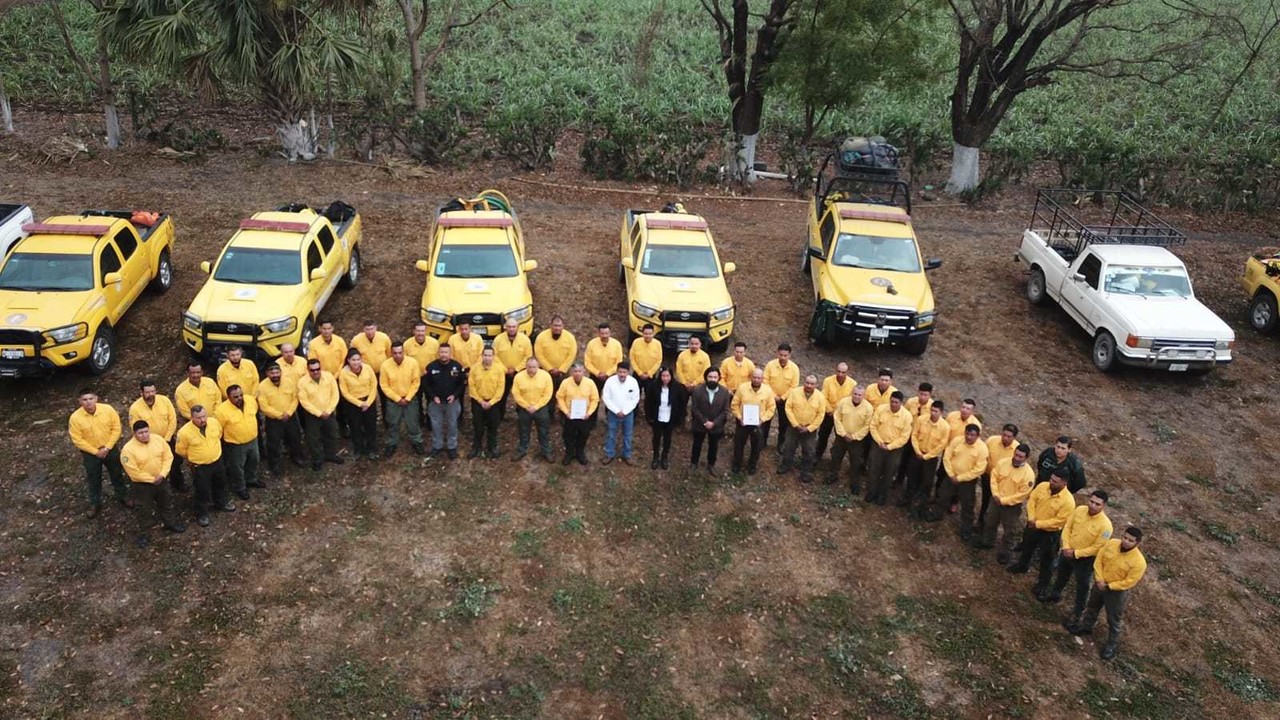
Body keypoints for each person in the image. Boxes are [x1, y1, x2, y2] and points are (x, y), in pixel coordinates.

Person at [1066, 527, 1147, 660]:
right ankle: (1086, 626)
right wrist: (1099, 579)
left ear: (1137, 543)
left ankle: (1111, 644)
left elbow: (1129, 582)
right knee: (1092, 607)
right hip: (1100, 584)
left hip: (1116, 593)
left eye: (1130, 541)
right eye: (1125, 538)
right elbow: (1099, 560)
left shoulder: (1139, 562)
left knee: (1113, 619)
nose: (1126, 542)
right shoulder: (1111, 543)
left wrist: (1109, 586)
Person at [1044, 490, 1113, 619]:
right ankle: (1055, 594)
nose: (1093, 505)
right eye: (1091, 501)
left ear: (1103, 506)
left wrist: (1076, 553)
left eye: (1097, 504)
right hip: (1067, 551)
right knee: (1061, 575)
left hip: (1085, 560)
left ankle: (1078, 611)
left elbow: (1097, 547)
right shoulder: (1080, 510)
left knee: (1082, 586)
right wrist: (1066, 547)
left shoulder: (1106, 526)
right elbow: (1068, 527)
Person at [68, 389, 131, 518]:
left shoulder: (108, 410)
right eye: (84, 400)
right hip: (90, 454)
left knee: (117, 473)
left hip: (110, 449)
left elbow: (116, 428)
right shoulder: (75, 418)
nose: (88, 402)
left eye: (90, 399)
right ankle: (95, 503)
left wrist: (107, 447)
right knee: (93, 478)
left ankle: (122, 495)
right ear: (79, 402)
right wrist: (95, 452)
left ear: (96, 398)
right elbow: (77, 439)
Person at [1009, 471, 1076, 590]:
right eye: (1051, 479)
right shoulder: (1042, 486)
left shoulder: (1068, 502)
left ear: (1064, 483)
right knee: (1027, 547)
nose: (1051, 482)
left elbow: (1059, 521)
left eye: (1055, 481)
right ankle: (1022, 566)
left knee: (1047, 559)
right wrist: (1031, 518)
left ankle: (1042, 585)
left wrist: (1038, 524)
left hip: (1050, 533)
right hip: (1033, 525)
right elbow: (1032, 500)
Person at [120, 420, 185, 540]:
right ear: (134, 434)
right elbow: (133, 471)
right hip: (142, 486)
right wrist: (151, 479)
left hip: (162, 480)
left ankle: (170, 524)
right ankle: (144, 533)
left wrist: (162, 474)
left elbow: (168, 457)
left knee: (166, 503)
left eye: (146, 431)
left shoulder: (158, 440)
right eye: (140, 433)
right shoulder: (128, 450)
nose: (144, 435)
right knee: (144, 510)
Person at [175, 405, 233, 527]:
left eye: (203, 416)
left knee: (221, 483)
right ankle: (202, 513)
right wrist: (193, 458)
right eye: (198, 418)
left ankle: (221, 502)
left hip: (217, 461)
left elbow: (219, 435)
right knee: (202, 489)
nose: (202, 420)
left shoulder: (214, 423)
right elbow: (180, 450)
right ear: (192, 418)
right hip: (201, 467)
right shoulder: (184, 432)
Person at [976, 443, 1035, 564]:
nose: (1017, 458)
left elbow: (1021, 495)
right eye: (1016, 455)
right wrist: (996, 494)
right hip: (996, 499)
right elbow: (994, 477)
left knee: (1010, 530)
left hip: (1012, 507)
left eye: (1021, 457)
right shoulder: (1003, 463)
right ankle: (987, 542)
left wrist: (1003, 500)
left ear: (1026, 458)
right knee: (990, 521)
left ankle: (1005, 553)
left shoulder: (1028, 475)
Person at [933, 424, 989, 539]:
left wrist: (960, 478)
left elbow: (979, 469)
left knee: (968, 506)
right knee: (942, 496)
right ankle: (936, 514)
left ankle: (966, 530)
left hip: (968, 482)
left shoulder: (982, 449)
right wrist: (951, 474)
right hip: (951, 476)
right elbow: (947, 456)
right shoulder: (957, 441)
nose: (969, 437)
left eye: (972, 435)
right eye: (967, 434)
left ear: (978, 436)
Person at [129, 379, 184, 492]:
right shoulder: (135, 408)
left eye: (153, 391)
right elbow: (136, 427)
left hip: (168, 439)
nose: (151, 394)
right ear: (141, 393)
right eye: (147, 392)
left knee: (174, 462)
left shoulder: (165, 401)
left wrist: (167, 438)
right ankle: (157, 490)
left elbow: (172, 420)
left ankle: (178, 484)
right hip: (148, 443)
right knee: (153, 465)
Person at [901, 401, 950, 518]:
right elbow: (914, 435)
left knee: (926, 482)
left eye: (936, 411)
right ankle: (908, 499)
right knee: (912, 477)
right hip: (917, 454)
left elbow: (941, 445)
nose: (933, 413)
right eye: (932, 410)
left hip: (930, 459)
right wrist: (917, 451)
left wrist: (927, 456)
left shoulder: (945, 427)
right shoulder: (922, 419)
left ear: (941, 412)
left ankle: (920, 506)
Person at [257, 364, 307, 474]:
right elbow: (264, 406)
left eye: (277, 372)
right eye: (272, 373)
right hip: (273, 420)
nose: (275, 375)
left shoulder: (288, 382)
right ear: (267, 374)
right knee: (273, 442)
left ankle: (297, 457)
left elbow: (295, 398)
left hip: (290, 416)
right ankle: (274, 464)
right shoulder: (262, 387)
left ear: (280, 372)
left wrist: (289, 412)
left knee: (295, 438)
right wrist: (279, 415)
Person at [864, 391, 912, 504]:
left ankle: (882, 496)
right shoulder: (881, 409)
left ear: (901, 403)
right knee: (873, 469)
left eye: (896, 402)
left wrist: (890, 446)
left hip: (894, 449)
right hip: (878, 444)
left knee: (889, 472)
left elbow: (904, 437)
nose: (893, 404)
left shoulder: (906, 416)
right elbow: (873, 426)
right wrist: (879, 441)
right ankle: (871, 492)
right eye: (892, 401)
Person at [379, 341, 425, 457]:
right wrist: (397, 399)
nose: (397, 355)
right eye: (395, 353)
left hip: (410, 399)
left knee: (413, 421)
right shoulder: (385, 365)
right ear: (391, 353)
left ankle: (417, 441)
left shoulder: (413, 363)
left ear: (404, 352)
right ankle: (392, 442)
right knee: (393, 422)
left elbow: (416, 382)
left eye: (400, 352)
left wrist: (408, 398)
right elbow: (384, 385)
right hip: (393, 400)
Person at [297, 359, 344, 471]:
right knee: (314, 438)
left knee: (332, 433)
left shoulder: (329, 377)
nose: (315, 372)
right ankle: (317, 459)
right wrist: (318, 413)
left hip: (329, 412)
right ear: (308, 370)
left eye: (318, 369)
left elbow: (335, 394)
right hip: (312, 415)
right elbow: (304, 401)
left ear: (320, 368)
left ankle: (331, 454)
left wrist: (329, 410)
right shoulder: (302, 382)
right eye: (312, 370)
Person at [215, 384, 261, 499]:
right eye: (235, 397)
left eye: (241, 395)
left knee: (254, 460)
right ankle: (240, 488)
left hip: (253, 440)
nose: (239, 398)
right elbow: (219, 429)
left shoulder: (250, 400)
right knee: (237, 468)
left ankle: (251, 479)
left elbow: (255, 413)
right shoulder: (221, 410)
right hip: (235, 445)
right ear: (228, 397)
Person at [779, 373, 825, 483]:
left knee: (809, 451)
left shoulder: (820, 397)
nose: (809, 385)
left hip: (809, 430)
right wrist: (795, 424)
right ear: (804, 382)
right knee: (789, 447)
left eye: (812, 384)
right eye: (807, 382)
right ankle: (785, 465)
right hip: (794, 427)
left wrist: (810, 428)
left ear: (816, 385)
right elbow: (788, 407)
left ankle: (806, 472)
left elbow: (821, 414)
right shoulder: (795, 392)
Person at [828, 385, 873, 492]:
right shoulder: (843, 402)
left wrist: (854, 437)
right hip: (841, 437)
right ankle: (832, 475)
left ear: (864, 396)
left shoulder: (868, 408)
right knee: (836, 456)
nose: (857, 396)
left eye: (859, 395)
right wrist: (843, 434)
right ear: (852, 393)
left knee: (856, 461)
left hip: (857, 440)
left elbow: (867, 426)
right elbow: (837, 418)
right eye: (855, 394)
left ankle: (854, 483)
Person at [730, 368, 774, 475]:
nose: (756, 379)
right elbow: (734, 404)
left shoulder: (768, 391)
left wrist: (762, 420)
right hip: (742, 422)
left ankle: (752, 465)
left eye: (759, 378)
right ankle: (737, 464)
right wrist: (739, 417)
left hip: (758, 423)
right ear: (751, 377)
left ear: (762, 379)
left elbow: (771, 408)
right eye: (754, 377)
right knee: (739, 444)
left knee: (756, 445)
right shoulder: (742, 388)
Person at [424, 344, 466, 459]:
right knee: (436, 425)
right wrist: (433, 397)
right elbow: (426, 384)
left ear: (450, 353)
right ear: (438, 353)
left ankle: (452, 447)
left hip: (452, 402)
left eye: (446, 352)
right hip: (436, 403)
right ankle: (437, 446)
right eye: (441, 352)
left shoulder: (457, 367)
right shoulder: (431, 367)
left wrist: (455, 395)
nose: (443, 355)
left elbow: (462, 384)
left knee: (452, 425)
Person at [338, 350, 380, 461]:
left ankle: (371, 449)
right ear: (348, 360)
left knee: (370, 426)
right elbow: (345, 392)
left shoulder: (368, 368)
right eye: (353, 360)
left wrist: (368, 402)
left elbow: (373, 385)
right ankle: (358, 449)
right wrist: (360, 403)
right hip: (353, 404)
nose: (356, 362)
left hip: (368, 402)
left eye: (358, 359)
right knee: (355, 427)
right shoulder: (343, 373)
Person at [512, 358, 555, 462]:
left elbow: (548, 393)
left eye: (534, 367)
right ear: (526, 366)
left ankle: (546, 451)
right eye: (529, 367)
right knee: (523, 430)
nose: (532, 369)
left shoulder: (545, 376)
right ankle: (522, 449)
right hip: (524, 408)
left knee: (543, 431)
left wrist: (537, 406)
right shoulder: (519, 377)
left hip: (541, 408)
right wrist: (526, 406)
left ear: (538, 366)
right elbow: (516, 394)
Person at [556, 363, 599, 466]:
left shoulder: (590, 383)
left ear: (584, 372)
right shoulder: (565, 383)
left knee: (583, 434)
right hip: (569, 415)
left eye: (580, 371)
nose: (577, 373)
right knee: (567, 435)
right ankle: (569, 453)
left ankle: (580, 452)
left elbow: (595, 399)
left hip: (584, 416)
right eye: (575, 371)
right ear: (571, 372)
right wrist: (566, 411)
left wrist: (589, 413)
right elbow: (560, 397)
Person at [689, 368, 731, 474]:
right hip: (700, 424)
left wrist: (714, 423)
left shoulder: (724, 392)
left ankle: (711, 464)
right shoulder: (698, 390)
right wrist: (704, 421)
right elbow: (694, 408)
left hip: (716, 426)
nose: (712, 379)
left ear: (719, 378)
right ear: (706, 377)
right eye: (710, 377)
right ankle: (694, 463)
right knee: (697, 444)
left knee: (713, 446)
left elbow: (725, 411)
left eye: (715, 377)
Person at [468, 347, 507, 458]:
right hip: (478, 402)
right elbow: (472, 387)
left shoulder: (499, 370)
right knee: (478, 426)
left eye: (490, 355)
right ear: (482, 356)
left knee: (493, 426)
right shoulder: (474, 369)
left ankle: (492, 447)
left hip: (493, 403)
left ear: (493, 357)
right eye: (485, 355)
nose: (487, 358)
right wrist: (480, 401)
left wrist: (491, 402)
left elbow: (500, 388)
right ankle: (476, 447)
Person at [646, 367, 688, 470]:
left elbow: (682, 404)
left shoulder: (678, 388)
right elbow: (648, 403)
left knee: (667, 438)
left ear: (671, 376)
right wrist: (649, 417)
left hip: (670, 418)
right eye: (663, 376)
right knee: (656, 438)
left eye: (667, 376)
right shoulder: (653, 387)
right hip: (657, 417)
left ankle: (664, 457)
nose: (665, 378)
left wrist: (680, 419)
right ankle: (655, 457)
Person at [979, 424, 1020, 526]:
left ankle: (990, 526)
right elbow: (982, 454)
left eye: (1009, 436)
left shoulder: (1017, 449)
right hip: (987, 477)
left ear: (1014, 437)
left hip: (1001, 482)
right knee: (985, 500)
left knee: (996, 505)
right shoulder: (991, 441)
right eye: (1004, 434)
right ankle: (981, 522)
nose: (1005, 438)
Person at [761, 343, 800, 449]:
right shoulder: (770, 365)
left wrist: (782, 398)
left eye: (785, 355)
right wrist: (773, 396)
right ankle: (762, 441)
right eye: (781, 355)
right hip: (769, 398)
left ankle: (781, 443)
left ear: (789, 355)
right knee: (765, 420)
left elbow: (794, 386)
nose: (783, 357)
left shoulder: (794, 368)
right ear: (777, 353)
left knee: (784, 423)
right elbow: (765, 381)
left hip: (786, 400)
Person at [601, 362, 641, 464]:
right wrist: (616, 410)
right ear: (616, 371)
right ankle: (609, 454)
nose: (622, 374)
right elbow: (606, 397)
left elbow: (635, 398)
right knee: (611, 434)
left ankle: (627, 455)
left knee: (628, 434)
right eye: (620, 372)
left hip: (628, 414)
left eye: (624, 372)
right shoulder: (610, 381)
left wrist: (626, 411)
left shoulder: (633, 382)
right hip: (613, 413)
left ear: (628, 372)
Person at [815, 362, 856, 460]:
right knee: (823, 435)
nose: (840, 374)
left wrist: (838, 413)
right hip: (828, 413)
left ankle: (835, 458)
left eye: (843, 372)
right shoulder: (828, 381)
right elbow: (823, 397)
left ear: (847, 372)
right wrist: (830, 410)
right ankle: (817, 455)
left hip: (842, 416)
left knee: (839, 438)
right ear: (835, 370)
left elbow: (850, 401)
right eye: (839, 371)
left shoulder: (853, 384)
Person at [493, 320, 533, 414]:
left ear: (518, 327)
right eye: (509, 327)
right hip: (503, 373)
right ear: (505, 327)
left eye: (513, 327)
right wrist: (505, 369)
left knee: (522, 394)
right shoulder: (498, 339)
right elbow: (494, 355)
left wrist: (516, 369)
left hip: (520, 373)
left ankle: (521, 415)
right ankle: (500, 415)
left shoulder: (525, 340)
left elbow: (528, 356)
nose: (511, 329)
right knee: (501, 395)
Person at [534, 315, 577, 391]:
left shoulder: (570, 338)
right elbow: (539, 354)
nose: (557, 328)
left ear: (563, 326)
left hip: (563, 373)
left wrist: (561, 369)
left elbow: (571, 355)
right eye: (555, 325)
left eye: (559, 326)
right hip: (545, 372)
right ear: (550, 325)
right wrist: (549, 368)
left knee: (563, 393)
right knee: (546, 392)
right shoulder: (541, 337)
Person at [584, 323, 623, 397]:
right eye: (602, 333)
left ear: (610, 333)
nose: (604, 336)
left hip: (611, 377)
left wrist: (607, 373)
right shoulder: (591, 344)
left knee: (611, 398)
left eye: (606, 333)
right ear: (598, 333)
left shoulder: (617, 344)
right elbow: (587, 362)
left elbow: (618, 362)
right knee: (593, 398)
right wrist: (597, 373)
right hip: (595, 376)